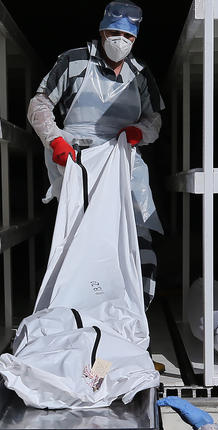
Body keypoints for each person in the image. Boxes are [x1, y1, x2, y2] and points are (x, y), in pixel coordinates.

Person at [26, 0, 163, 309]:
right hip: (77, 159)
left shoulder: (140, 74)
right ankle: (76, 311)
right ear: (102, 32)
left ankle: (135, 309)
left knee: (135, 233)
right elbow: (40, 103)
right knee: (77, 236)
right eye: (114, 32)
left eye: (128, 36)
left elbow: (155, 119)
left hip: (123, 161)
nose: (120, 41)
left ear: (135, 39)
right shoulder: (73, 62)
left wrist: (139, 132)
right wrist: (54, 140)